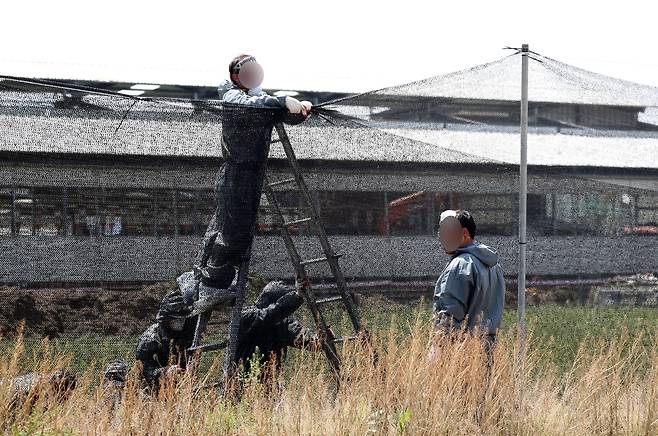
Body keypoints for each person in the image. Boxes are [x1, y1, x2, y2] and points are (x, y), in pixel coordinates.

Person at [195, 54, 313, 308]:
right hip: (235, 173)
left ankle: (212, 282)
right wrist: (281, 100)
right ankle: (210, 286)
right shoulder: (231, 94)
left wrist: (301, 110)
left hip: (252, 175)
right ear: (236, 75)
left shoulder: (259, 99)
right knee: (230, 231)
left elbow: (278, 111)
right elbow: (255, 104)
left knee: (237, 230)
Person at [433, 209, 505, 351]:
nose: (441, 237)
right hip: (489, 348)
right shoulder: (493, 265)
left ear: (464, 233)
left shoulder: (460, 265)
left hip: (463, 352)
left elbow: (450, 316)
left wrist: (440, 353)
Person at [233, 278, 326, 383]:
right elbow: (270, 314)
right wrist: (297, 296)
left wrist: (323, 336)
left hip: (268, 384)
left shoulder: (282, 324)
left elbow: (308, 341)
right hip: (240, 381)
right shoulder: (248, 316)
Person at [134, 291, 197, 389]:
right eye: (176, 320)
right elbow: (143, 371)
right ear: (166, 319)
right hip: (152, 390)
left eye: (183, 320)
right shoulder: (150, 339)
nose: (180, 324)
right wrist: (165, 372)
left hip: (182, 387)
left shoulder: (187, 334)